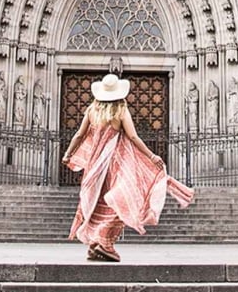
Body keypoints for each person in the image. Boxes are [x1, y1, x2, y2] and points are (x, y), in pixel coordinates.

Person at [61, 73, 193, 262]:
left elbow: (79, 135)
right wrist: (151, 155)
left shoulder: (92, 110)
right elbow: (133, 137)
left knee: (98, 202)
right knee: (123, 200)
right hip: (116, 163)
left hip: (94, 166)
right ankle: (104, 243)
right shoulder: (120, 110)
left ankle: (96, 243)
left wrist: (68, 154)